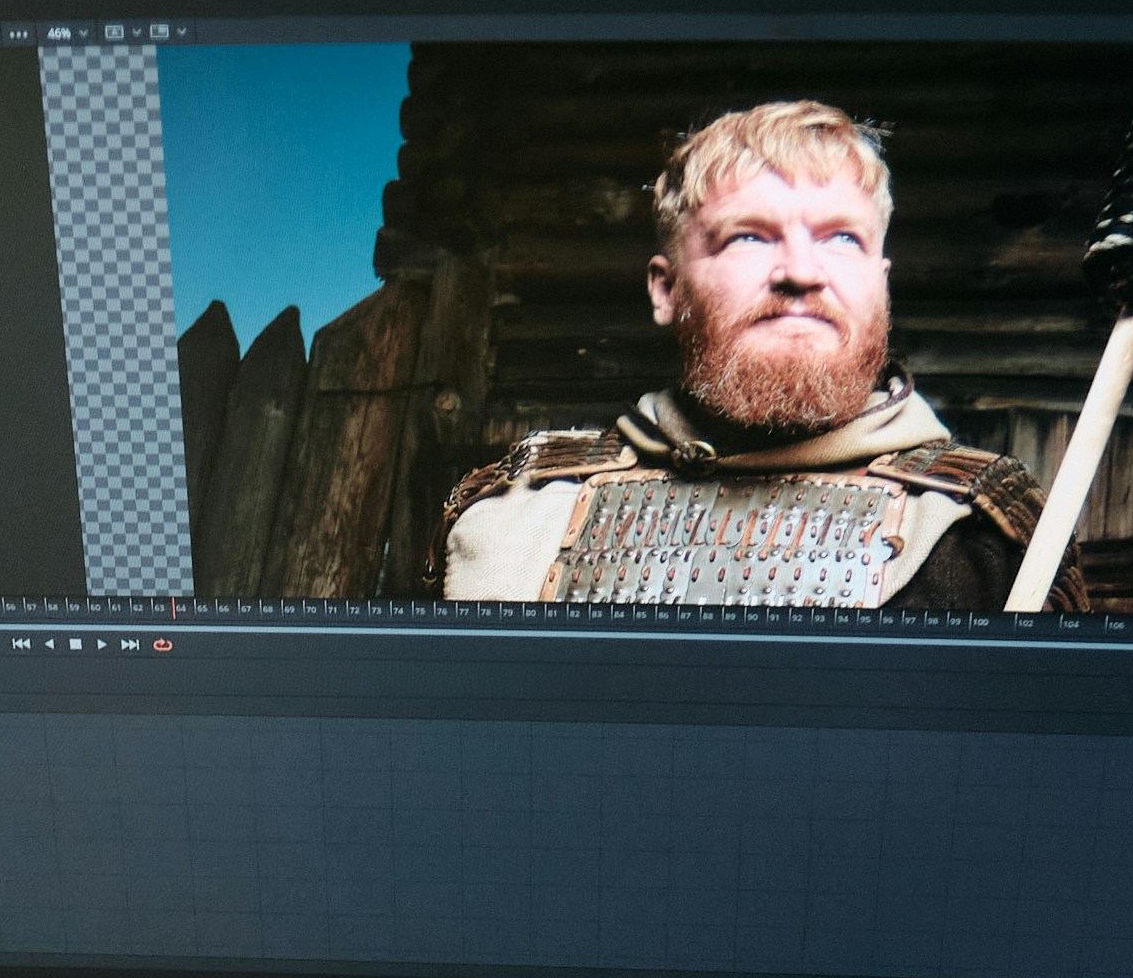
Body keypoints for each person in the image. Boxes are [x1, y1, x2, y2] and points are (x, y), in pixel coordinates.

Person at [441, 101, 1056, 616]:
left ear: (881, 281)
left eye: (843, 237)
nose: (800, 273)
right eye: (748, 237)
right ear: (667, 289)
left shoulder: (980, 534)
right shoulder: (520, 516)